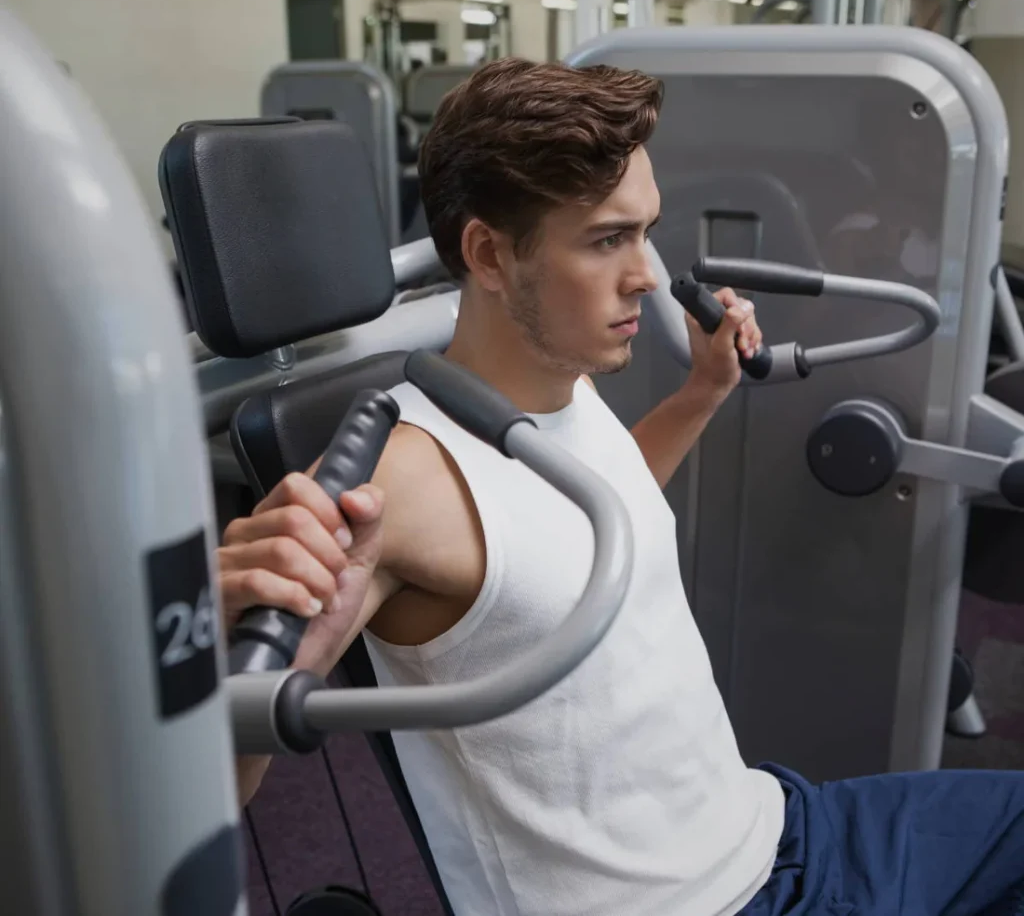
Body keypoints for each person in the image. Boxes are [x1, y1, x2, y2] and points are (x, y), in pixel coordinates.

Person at [217, 59, 1024, 916]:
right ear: (489, 253)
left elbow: (591, 522)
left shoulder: (562, 384)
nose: (646, 273)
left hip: (775, 826)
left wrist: (700, 394)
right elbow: (213, 785)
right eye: (608, 239)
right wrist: (247, 642)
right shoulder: (401, 482)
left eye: (647, 230)